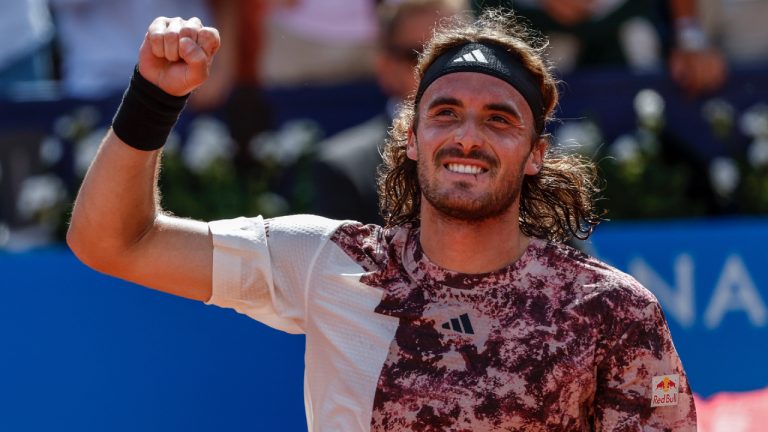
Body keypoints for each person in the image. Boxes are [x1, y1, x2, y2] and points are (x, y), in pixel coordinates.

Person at [67, 9, 697, 431]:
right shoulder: (325, 260)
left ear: (535, 155)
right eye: (445, 113)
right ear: (411, 140)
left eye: (500, 119)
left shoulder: (612, 309)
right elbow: (111, 242)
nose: (468, 137)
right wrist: (154, 95)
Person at [310, 0, 466, 224]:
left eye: (454, 53)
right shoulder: (344, 170)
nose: (440, 69)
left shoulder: (513, 153)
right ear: (385, 67)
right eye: (419, 55)